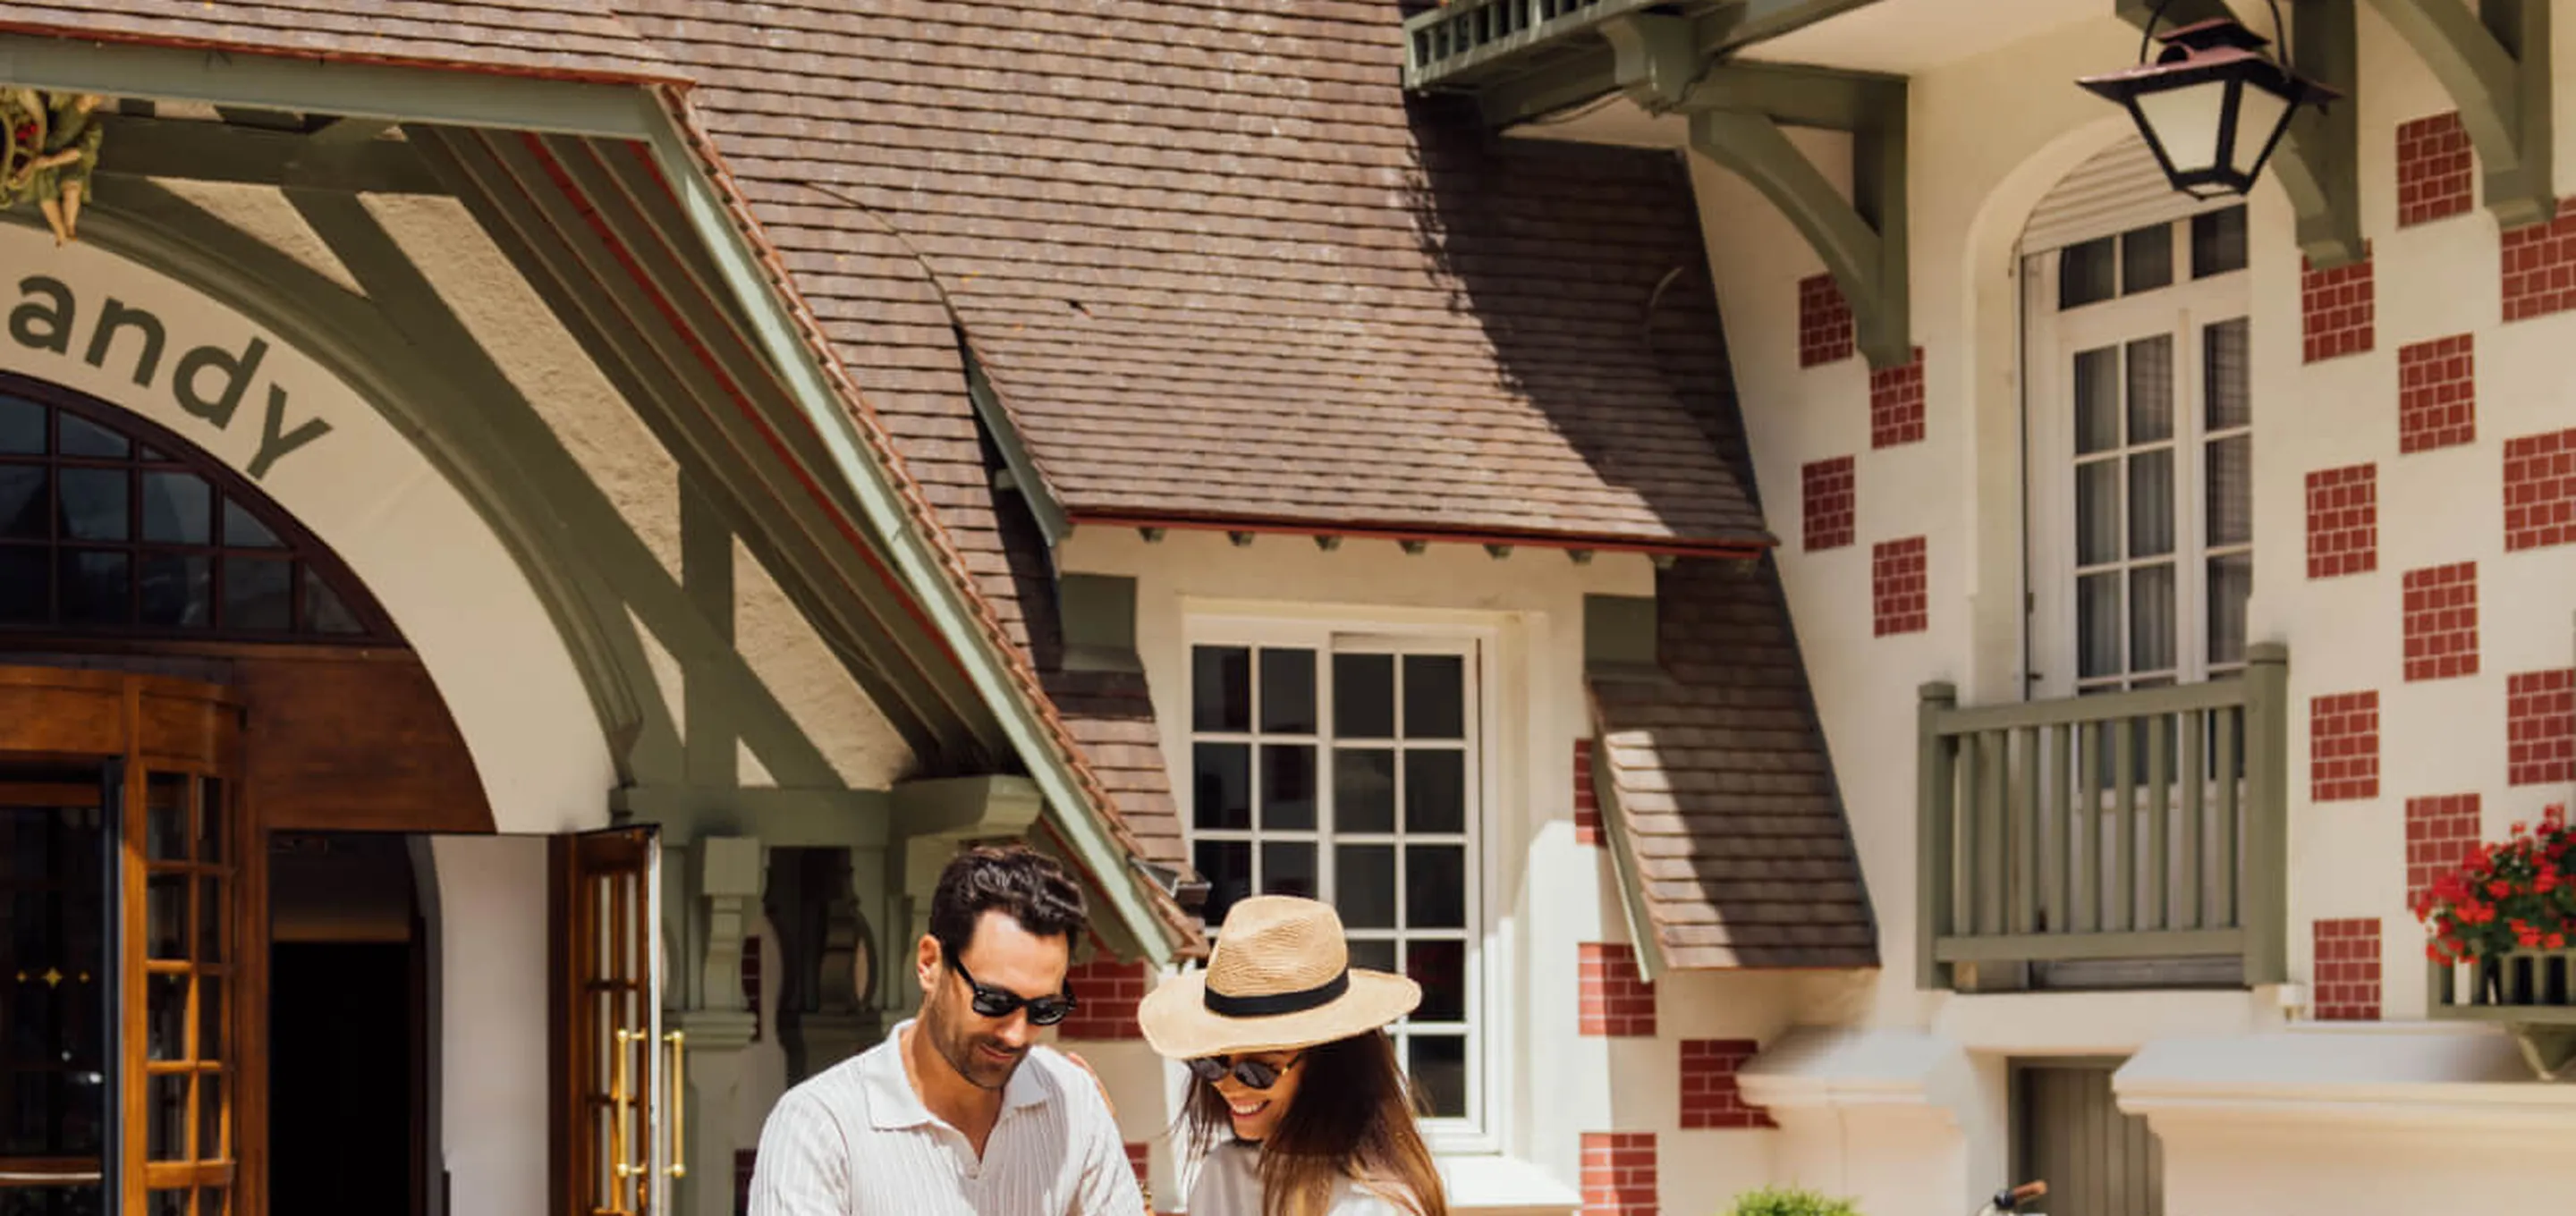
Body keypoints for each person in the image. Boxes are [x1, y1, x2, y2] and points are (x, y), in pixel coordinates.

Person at [747, 844, 1146, 1215]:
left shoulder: (1073, 1102)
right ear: (930, 963)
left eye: (1044, 1008)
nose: (1016, 1034)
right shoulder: (819, 1127)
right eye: (995, 1001)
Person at [1138, 895, 1450, 1216]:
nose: (1230, 1087)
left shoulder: (1375, 1204)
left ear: (1328, 1065)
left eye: (1259, 1070)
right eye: (1212, 1064)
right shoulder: (1221, 1175)